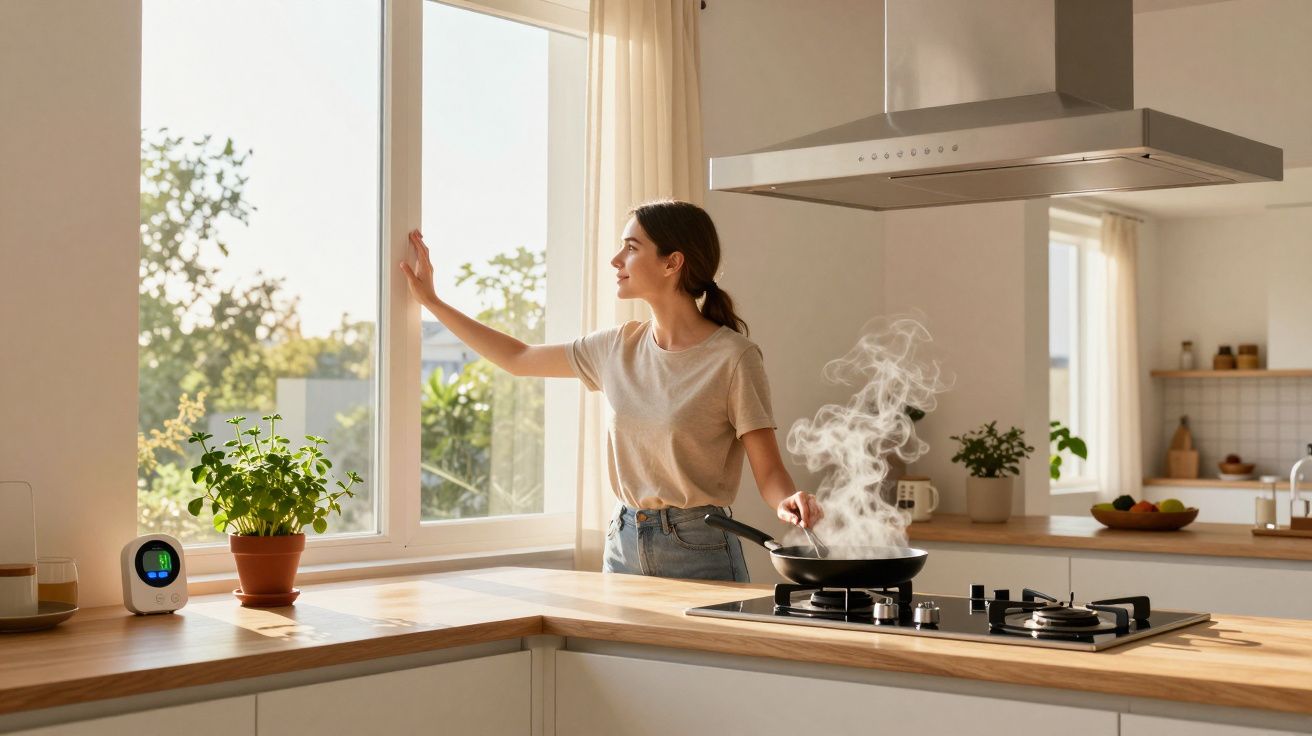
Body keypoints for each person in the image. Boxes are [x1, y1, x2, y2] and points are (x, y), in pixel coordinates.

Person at [400, 199, 821, 582]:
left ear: (672, 262)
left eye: (631, 248)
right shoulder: (617, 346)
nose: (616, 259)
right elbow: (519, 358)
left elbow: (769, 472)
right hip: (623, 544)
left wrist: (788, 500)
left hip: (699, 548)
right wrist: (433, 303)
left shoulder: (733, 357)